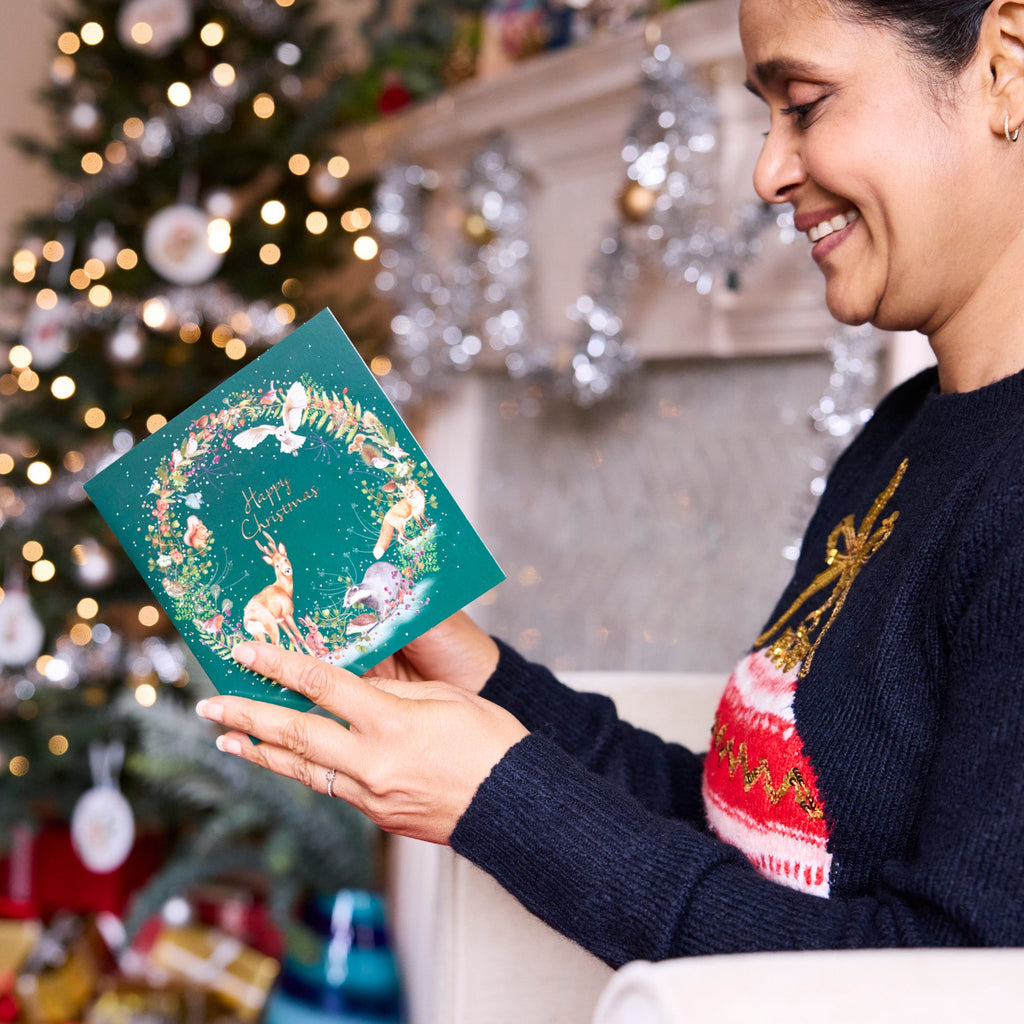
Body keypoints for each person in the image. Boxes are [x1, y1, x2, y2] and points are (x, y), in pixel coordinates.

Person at [195, 0, 1024, 965]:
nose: (768, 172)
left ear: (1004, 64)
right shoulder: (904, 435)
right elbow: (751, 846)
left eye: (804, 103)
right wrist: (490, 684)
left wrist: (495, 799)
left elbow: (942, 980)